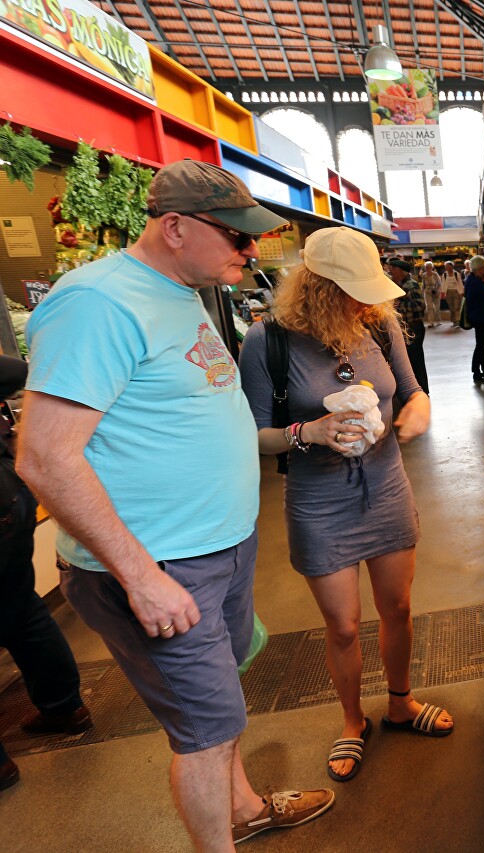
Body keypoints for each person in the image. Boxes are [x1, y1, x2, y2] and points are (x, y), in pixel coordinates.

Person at [16, 159, 334, 849]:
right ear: (175, 227)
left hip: (216, 547)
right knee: (205, 730)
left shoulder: (181, 287)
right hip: (162, 565)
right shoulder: (98, 303)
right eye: (238, 238)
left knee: (220, 705)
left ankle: (244, 807)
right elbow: (44, 456)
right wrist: (140, 576)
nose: (250, 251)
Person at [239, 227, 451, 784]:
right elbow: (255, 433)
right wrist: (310, 431)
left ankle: (401, 702)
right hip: (318, 500)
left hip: (385, 487)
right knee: (342, 627)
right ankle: (353, 721)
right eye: (350, 291)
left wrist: (420, 411)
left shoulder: (377, 324)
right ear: (316, 287)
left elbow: (412, 388)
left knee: (398, 608)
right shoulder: (268, 342)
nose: (364, 301)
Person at [0, 355, 93, 794]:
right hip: (7, 501)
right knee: (22, 610)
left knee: (21, 611)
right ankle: (62, 707)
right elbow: (15, 372)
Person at [386, 258, 430, 393]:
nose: (390, 272)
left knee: (416, 359)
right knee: (409, 359)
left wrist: (400, 305)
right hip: (406, 328)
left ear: (400, 270)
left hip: (414, 327)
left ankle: (422, 389)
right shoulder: (398, 284)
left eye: (392, 269)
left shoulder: (411, 285)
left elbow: (419, 305)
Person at [421, 260, 443, 328]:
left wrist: (438, 292)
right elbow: (423, 285)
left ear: (432, 267)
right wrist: (422, 292)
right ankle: (431, 322)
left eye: (429, 267)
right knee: (429, 307)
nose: (428, 268)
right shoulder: (424, 275)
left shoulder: (435, 274)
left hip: (436, 292)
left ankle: (438, 321)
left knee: (437, 307)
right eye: (427, 267)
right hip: (427, 292)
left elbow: (439, 284)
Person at [442, 261, 464, 326]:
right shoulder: (445, 275)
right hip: (448, 292)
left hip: (456, 291)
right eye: (445, 266)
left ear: (451, 266)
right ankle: (454, 320)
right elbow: (443, 284)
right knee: (451, 307)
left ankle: (458, 320)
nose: (446, 267)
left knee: (457, 307)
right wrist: (443, 293)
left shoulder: (456, 274)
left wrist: (461, 292)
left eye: (447, 266)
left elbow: (460, 283)